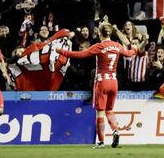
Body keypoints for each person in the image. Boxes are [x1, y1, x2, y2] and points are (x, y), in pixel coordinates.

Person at [57, 21, 137, 149]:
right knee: (109, 110)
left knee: (100, 113)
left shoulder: (99, 46)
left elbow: (80, 55)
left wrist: (61, 51)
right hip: (114, 82)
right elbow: (129, 54)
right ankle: (116, 130)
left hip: (102, 82)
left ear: (100, 33)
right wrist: (134, 48)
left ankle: (100, 142)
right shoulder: (117, 45)